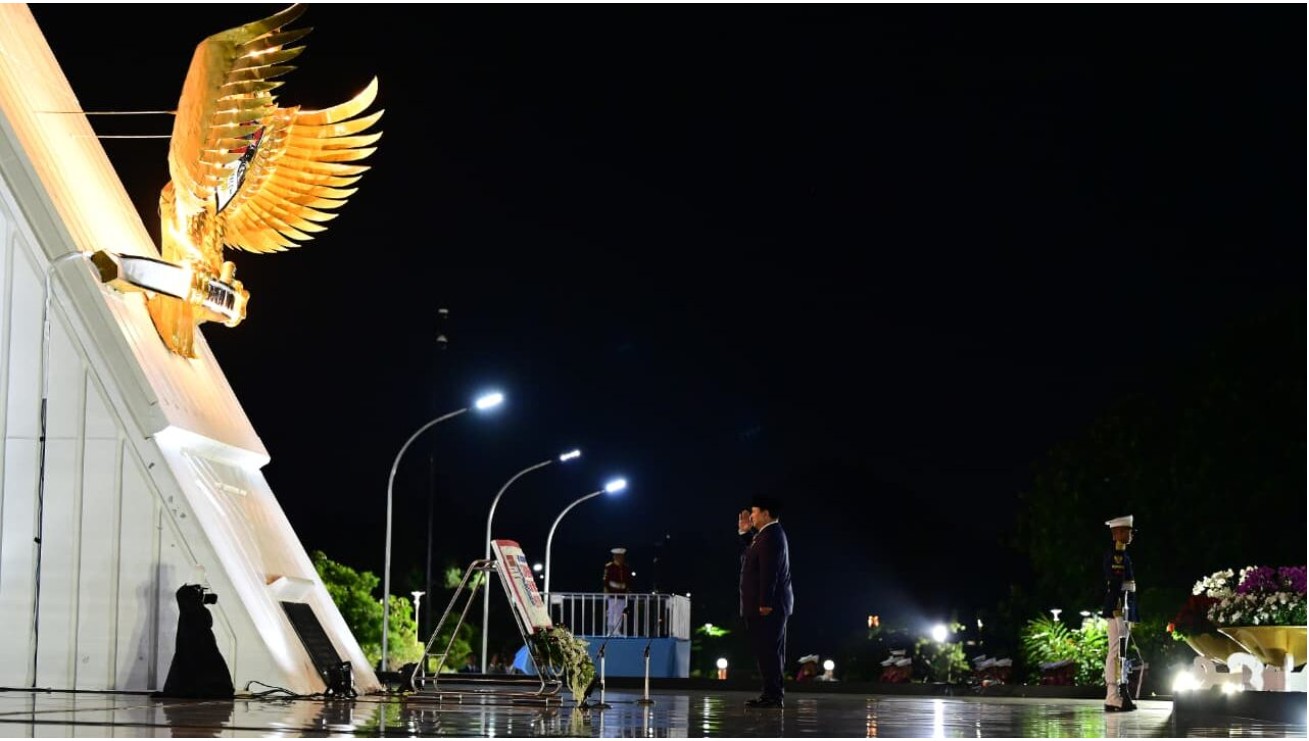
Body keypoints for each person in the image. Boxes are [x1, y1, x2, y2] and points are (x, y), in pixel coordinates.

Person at [737, 494, 794, 708]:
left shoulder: (771, 536)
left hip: (768, 606)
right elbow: (754, 553)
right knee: (768, 651)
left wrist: (765, 602)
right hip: (768, 605)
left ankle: (773, 695)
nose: (751, 516)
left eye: (754, 512)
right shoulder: (766, 535)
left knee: (768, 651)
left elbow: (769, 572)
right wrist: (745, 533)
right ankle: (771, 693)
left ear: (766, 514)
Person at [1101, 514, 1138, 712]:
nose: (1131, 534)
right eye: (1128, 531)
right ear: (1117, 532)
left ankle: (1118, 694)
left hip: (1124, 607)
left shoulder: (1123, 554)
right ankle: (1112, 695)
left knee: (1121, 652)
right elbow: (1115, 585)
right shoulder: (1117, 555)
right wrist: (1118, 613)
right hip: (1119, 608)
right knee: (1116, 651)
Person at [603, 547, 631, 636]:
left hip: (622, 594)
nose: (620, 558)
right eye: (618, 556)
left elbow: (628, 580)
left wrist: (626, 589)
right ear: (615, 557)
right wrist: (608, 591)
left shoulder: (625, 567)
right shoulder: (609, 567)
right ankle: (610, 630)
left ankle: (617, 630)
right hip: (612, 593)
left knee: (619, 613)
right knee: (611, 612)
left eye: (622, 556)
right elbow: (606, 580)